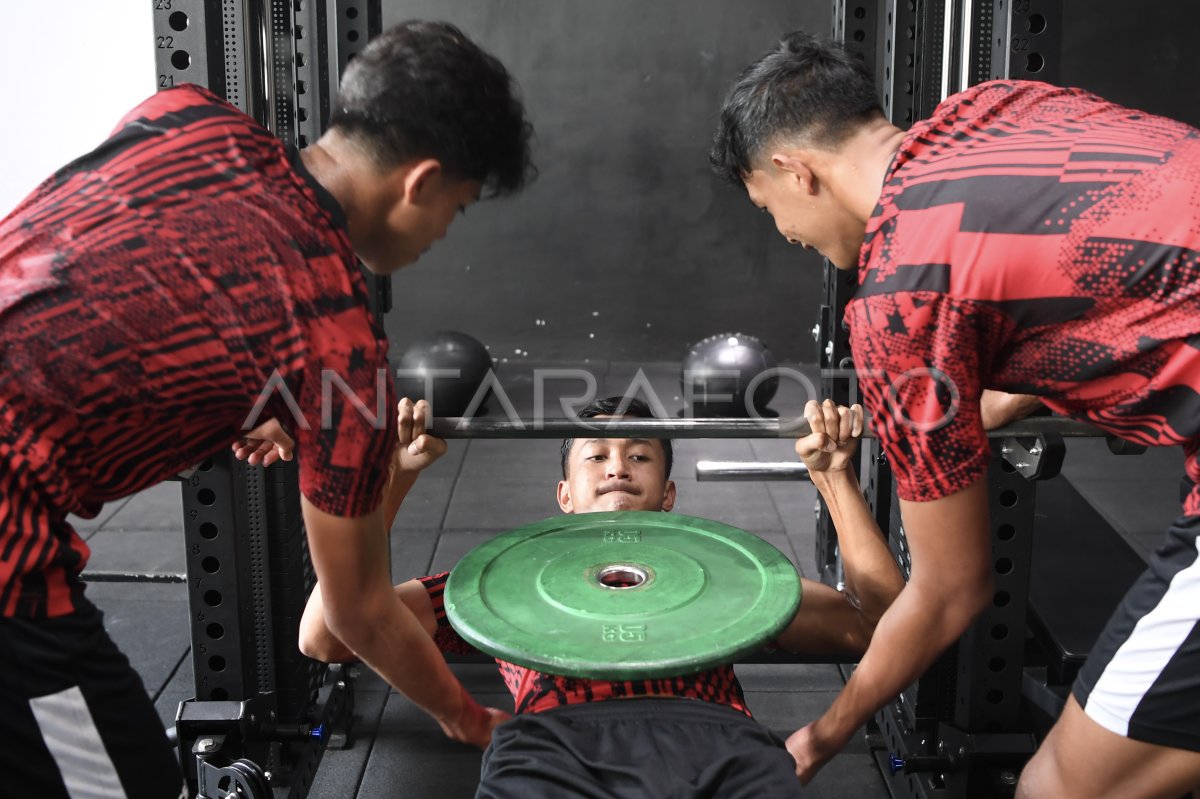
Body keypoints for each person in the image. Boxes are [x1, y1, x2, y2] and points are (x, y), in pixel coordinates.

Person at [0, 20, 533, 798]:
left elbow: (128, 266)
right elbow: (357, 614)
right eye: (454, 208)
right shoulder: (340, 348)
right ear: (420, 182)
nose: (442, 233)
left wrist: (242, 386)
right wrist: (467, 718)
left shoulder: (188, 114)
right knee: (114, 784)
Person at [710, 29, 1200, 799]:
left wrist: (822, 733)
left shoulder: (900, 302)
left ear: (794, 172)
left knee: (1061, 786)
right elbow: (1129, 243)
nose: (787, 234)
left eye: (768, 209)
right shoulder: (997, 108)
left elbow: (951, 589)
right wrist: (998, 390)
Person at [288, 395, 904, 796]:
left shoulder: (725, 570)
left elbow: (877, 624)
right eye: (597, 455)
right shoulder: (503, 579)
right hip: (554, 747)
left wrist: (833, 476)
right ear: (564, 495)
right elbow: (324, 636)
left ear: (667, 496)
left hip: (714, 745)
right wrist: (393, 478)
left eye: (640, 455)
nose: (618, 466)